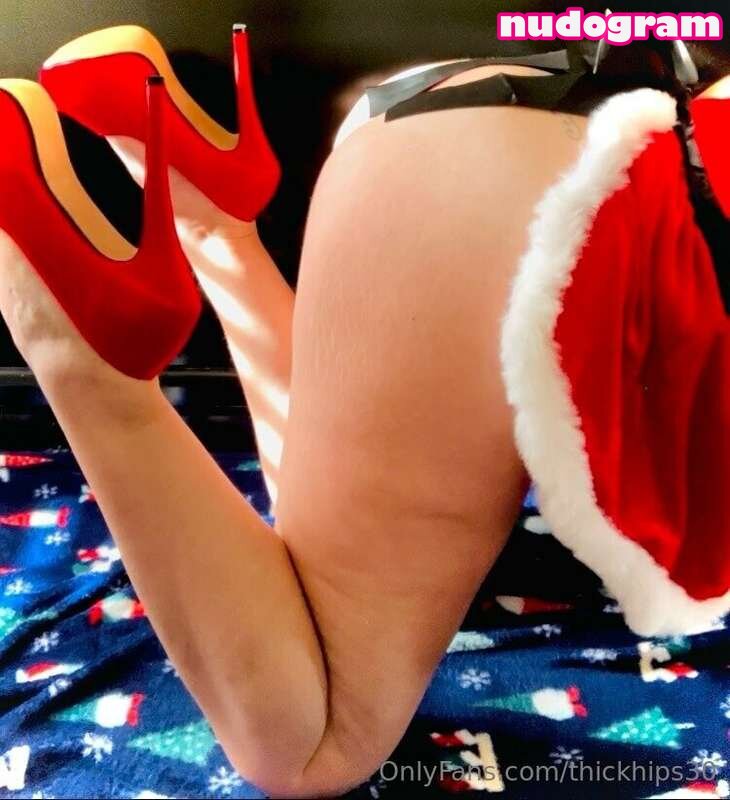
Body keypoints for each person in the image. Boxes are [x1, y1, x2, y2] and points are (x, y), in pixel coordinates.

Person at [0, 18, 728, 798]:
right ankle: (80, 352)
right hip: (559, 199)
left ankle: (208, 218)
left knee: (320, 552)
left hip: (442, 114)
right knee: (316, 748)